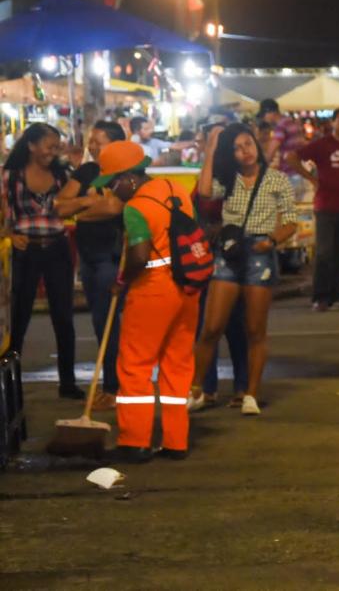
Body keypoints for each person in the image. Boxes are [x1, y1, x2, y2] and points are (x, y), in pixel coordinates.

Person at [92, 141, 200, 463]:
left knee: (135, 366)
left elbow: (139, 256)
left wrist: (121, 282)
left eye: (113, 184)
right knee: (177, 365)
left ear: (130, 178)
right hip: (187, 287)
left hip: (153, 289)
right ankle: (175, 442)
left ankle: (135, 441)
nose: (111, 191)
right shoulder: (176, 189)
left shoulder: (136, 208)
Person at [190, 123, 296, 416]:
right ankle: (196, 389)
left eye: (248, 144)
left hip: (260, 253)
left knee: (255, 330)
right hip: (230, 252)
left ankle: (251, 394)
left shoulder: (277, 179)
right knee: (211, 327)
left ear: (256, 145)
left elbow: (291, 221)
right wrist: (211, 149)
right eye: (236, 148)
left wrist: (271, 241)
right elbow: (205, 191)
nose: (245, 152)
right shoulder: (228, 179)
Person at [1, 124, 80, 399]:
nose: (53, 152)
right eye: (49, 146)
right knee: (18, 318)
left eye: (56, 147)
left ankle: (68, 383)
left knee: (63, 317)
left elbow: (76, 205)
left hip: (57, 248)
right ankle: (11, 385)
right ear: (31, 145)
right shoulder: (10, 176)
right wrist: (10, 235)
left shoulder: (63, 175)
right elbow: (3, 214)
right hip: (25, 251)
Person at [55, 121, 128, 411]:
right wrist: (88, 201)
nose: (93, 146)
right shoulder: (87, 171)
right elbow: (59, 205)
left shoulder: (124, 175)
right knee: (101, 323)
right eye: (91, 140)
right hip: (87, 257)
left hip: (111, 256)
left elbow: (113, 208)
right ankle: (112, 384)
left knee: (109, 322)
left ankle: (114, 387)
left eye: (99, 140)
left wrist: (80, 210)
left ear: (116, 144)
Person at [192, 121, 250, 408]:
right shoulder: (206, 172)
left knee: (235, 324)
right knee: (206, 325)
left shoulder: (239, 174)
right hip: (204, 256)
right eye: (210, 139)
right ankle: (207, 387)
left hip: (232, 255)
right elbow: (199, 203)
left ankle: (242, 386)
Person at [287, 107, 339, 312]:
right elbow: (292, 157)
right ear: (333, 122)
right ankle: (320, 297)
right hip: (326, 207)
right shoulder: (321, 145)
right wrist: (311, 179)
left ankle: (336, 297)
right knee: (324, 254)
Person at [258, 99, 307, 200]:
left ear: (270, 112)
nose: (264, 119)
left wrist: (259, 169)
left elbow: (271, 152)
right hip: (299, 173)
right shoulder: (291, 122)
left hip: (290, 176)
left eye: (264, 115)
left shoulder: (280, 126)